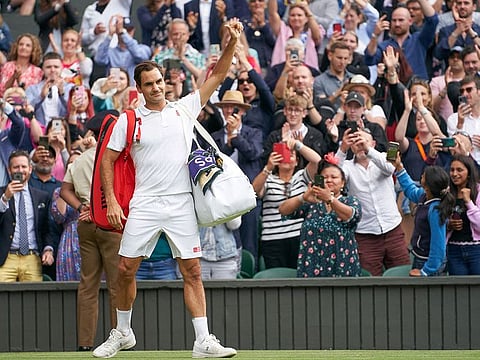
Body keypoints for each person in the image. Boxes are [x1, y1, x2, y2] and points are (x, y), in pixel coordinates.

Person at [94, 19, 244, 359]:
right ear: (140, 89)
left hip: (180, 204)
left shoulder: (184, 109)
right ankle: (123, 331)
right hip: (144, 202)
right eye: (150, 84)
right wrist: (114, 201)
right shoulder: (128, 120)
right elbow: (107, 161)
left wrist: (232, 42)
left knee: (191, 270)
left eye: (160, 81)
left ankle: (203, 341)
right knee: (124, 269)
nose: (157, 88)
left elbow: (218, 75)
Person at [60, 111, 121, 352]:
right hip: (110, 222)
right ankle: (120, 339)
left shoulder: (80, 160)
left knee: (88, 284)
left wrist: (83, 207)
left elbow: (65, 190)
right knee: (117, 285)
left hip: (86, 224)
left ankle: (85, 344)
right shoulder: (116, 157)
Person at [337, 129, 410, 276]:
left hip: (392, 230)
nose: (360, 144)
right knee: (370, 282)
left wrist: (368, 149)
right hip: (365, 235)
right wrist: (342, 149)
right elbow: (334, 175)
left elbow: (390, 167)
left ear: (373, 143)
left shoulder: (383, 156)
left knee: (403, 276)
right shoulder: (347, 166)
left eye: (363, 140)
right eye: (356, 141)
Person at [279, 156, 362, 277]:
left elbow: (351, 215)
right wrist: (303, 197)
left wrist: (330, 199)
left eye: (334, 177)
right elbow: (283, 210)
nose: (329, 180)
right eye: (324, 177)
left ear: (343, 182)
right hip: (312, 265)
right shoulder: (312, 204)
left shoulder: (350, 201)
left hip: (342, 265)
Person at [252, 136, 321, 269]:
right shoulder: (268, 179)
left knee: (300, 279)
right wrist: (268, 168)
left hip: (299, 237)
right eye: (282, 154)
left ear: (297, 161)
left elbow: (317, 161)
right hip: (272, 240)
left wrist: (298, 145)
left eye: (291, 154)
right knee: (277, 283)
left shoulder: (301, 176)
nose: (287, 157)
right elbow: (254, 191)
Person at [212, 90, 263, 259]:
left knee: (249, 243)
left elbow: (253, 153)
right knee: (225, 241)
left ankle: (249, 282)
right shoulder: (214, 136)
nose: (229, 111)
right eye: (225, 107)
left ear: (242, 111)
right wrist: (229, 140)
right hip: (223, 197)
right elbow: (216, 161)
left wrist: (235, 136)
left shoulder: (254, 133)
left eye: (233, 108)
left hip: (247, 195)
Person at [392, 159, 455, 276]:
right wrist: (399, 167)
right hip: (420, 257)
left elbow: (438, 245)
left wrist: (426, 271)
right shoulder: (424, 196)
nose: (421, 176)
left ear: (427, 187)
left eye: (424, 176)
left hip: (429, 263)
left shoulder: (435, 210)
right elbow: (410, 189)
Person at [0, 150, 55, 282]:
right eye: (16, 167)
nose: (20, 170)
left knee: (34, 299)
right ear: (9, 170)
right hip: (6, 258)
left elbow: (46, 229)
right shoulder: (1, 193)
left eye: (24, 166)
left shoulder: (42, 196)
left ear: (30, 169)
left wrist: (48, 249)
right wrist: (5, 198)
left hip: (32, 257)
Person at [364, 0, 438, 80]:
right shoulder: (384, 45)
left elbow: (433, 20)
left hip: (417, 88)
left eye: (401, 20)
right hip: (393, 88)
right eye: (394, 20)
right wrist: (375, 35)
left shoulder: (419, 39)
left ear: (410, 21)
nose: (397, 24)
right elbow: (369, 58)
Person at [94, 15, 151, 85]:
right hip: (114, 91)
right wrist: (110, 35)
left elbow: (141, 56)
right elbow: (99, 60)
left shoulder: (143, 48)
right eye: (124, 30)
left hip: (134, 91)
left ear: (133, 30)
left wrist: (123, 33)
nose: (126, 33)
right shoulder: (111, 51)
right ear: (116, 31)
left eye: (129, 30)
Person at [447, 154, 480, 275]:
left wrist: (469, 202)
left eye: (459, 170)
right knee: (458, 291)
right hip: (454, 250)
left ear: (469, 173)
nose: (455, 174)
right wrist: (449, 225)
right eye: (452, 170)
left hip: (476, 249)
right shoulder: (447, 194)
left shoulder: (478, 191)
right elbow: (438, 222)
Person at [268, 0, 322, 71]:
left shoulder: (311, 33)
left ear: (306, 18)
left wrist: (307, 10)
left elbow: (317, 37)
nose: (296, 18)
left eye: (299, 15)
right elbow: (273, 14)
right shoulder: (283, 31)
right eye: (292, 15)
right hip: (282, 72)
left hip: (306, 74)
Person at [25, 51, 74, 127]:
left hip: (63, 131)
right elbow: (27, 110)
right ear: (42, 69)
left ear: (62, 68)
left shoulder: (70, 87)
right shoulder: (32, 89)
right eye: (48, 67)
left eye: (56, 67)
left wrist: (62, 94)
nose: (52, 70)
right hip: (40, 131)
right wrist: (41, 97)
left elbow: (73, 110)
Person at [0, 33, 43, 97]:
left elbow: (32, 95)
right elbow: (2, 90)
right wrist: (13, 77)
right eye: (21, 44)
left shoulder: (37, 71)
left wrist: (19, 81)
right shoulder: (7, 66)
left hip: (25, 104)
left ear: (33, 50)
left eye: (28, 45)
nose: (23, 47)